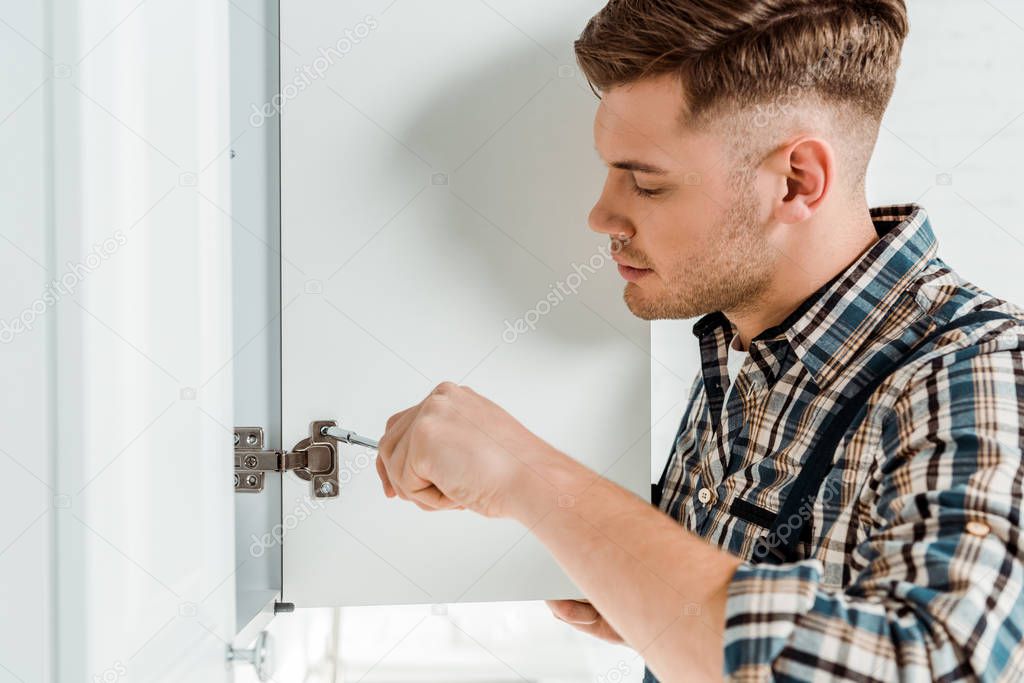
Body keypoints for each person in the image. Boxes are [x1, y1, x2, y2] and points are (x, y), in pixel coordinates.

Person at [374, 1, 1024, 680]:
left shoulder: (981, 374)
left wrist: (532, 478)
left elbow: (931, 663)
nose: (600, 215)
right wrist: (643, 593)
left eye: (646, 182)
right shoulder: (743, 347)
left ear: (797, 181)